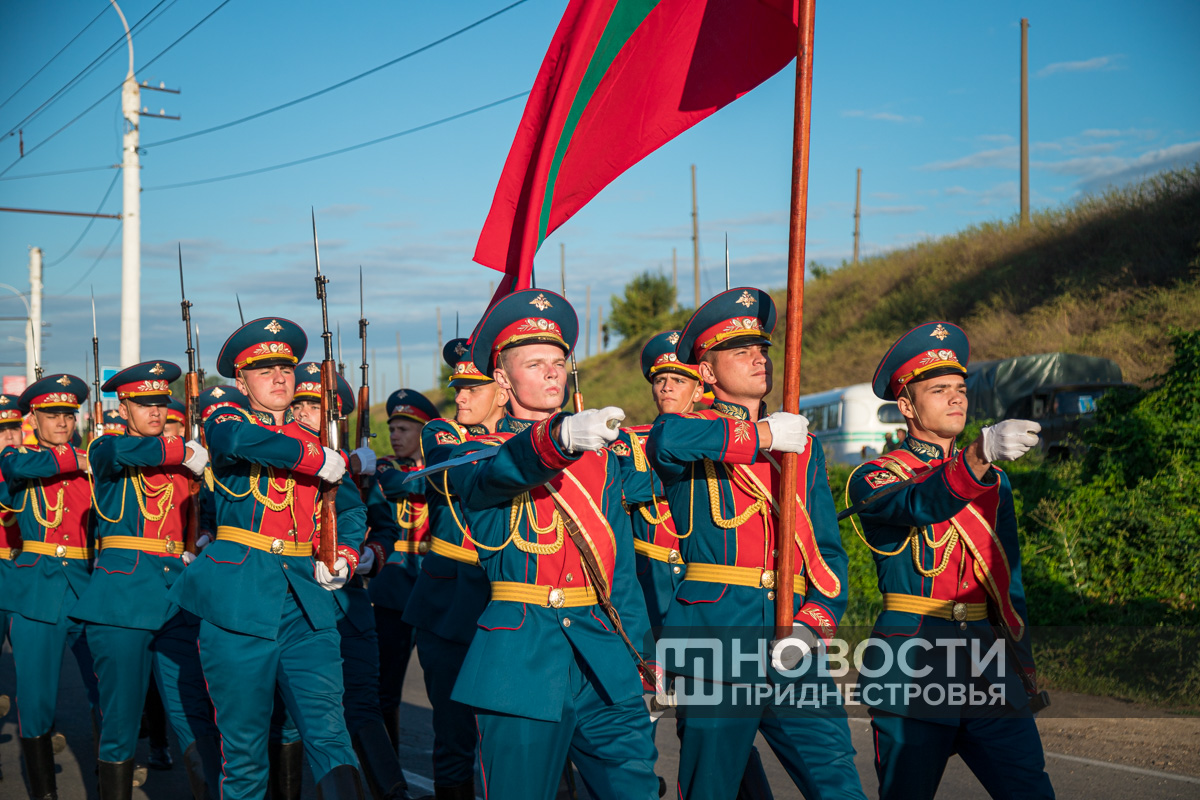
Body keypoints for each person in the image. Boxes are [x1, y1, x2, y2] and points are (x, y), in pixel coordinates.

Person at [647, 288, 866, 800]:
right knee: (711, 787)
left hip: (793, 638)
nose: (759, 359)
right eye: (740, 351)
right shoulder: (688, 429)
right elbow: (666, 442)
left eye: (762, 349)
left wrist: (813, 624)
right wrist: (762, 437)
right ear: (706, 372)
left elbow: (827, 549)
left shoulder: (802, 446)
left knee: (837, 781)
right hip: (715, 638)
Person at [446, 289, 659, 800]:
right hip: (520, 657)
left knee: (635, 789)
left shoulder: (602, 459)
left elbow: (618, 570)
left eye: (558, 363)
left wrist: (643, 659)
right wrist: (558, 439)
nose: (551, 374)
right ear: (502, 380)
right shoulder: (475, 454)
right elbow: (499, 475)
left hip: (603, 654)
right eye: (534, 363)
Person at [846, 321, 1054, 800]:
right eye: (938, 390)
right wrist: (978, 456)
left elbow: (1007, 583)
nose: (956, 398)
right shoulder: (875, 476)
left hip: (988, 668)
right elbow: (917, 503)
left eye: (960, 388)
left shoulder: (994, 480)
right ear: (906, 406)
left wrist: (1022, 663)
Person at [168, 317, 366, 799]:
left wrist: (343, 553)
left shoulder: (317, 442)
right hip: (238, 606)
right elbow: (235, 442)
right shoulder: (228, 424)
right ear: (241, 383)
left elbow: (352, 509)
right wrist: (315, 459)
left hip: (306, 607)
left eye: (286, 368)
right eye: (264, 370)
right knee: (244, 753)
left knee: (331, 737)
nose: (279, 378)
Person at [618, 330, 774, 800]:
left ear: (701, 386)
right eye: (659, 380)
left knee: (709, 728)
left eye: (678, 379)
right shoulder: (633, 442)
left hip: (705, 602)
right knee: (639, 715)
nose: (667, 387)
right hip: (650, 600)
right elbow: (622, 491)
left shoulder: (733, 442)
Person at [71, 361, 221, 799]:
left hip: (177, 600)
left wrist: (203, 537)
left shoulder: (186, 467)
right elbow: (123, 455)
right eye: (143, 404)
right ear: (123, 408)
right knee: (120, 724)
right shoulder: (108, 448)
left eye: (161, 404)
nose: (155, 411)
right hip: (122, 602)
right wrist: (183, 451)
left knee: (195, 714)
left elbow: (208, 515)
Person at [291, 363, 412, 800]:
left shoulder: (358, 470)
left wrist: (368, 556)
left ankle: (394, 793)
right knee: (294, 714)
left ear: (335, 416)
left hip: (348, 602)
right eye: (299, 405)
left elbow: (384, 526)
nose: (304, 413)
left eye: (315, 406)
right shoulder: (282, 462)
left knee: (362, 702)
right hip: (294, 601)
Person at [402, 337, 506, 800]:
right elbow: (453, 465)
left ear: (502, 390)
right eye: (458, 388)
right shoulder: (442, 432)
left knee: (514, 736)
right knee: (453, 736)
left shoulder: (528, 433)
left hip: (507, 595)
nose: (460, 397)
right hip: (449, 599)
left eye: (472, 389)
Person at [0, 374, 101, 800]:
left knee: (107, 689)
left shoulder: (93, 463)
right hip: (36, 592)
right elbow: (17, 467)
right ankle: (45, 792)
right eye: (51, 415)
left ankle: (110, 774)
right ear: (34, 420)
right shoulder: (19, 458)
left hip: (87, 587)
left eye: (68, 415)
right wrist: (78, 459)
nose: (61, 422)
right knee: (36, 700)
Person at [363, 387, 438, 748]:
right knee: (385, 687)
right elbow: (392, 484)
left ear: (425, 433)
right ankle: (389, 766)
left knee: (445, 685)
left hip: (434, 582)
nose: (394, 435)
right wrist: (439, 478)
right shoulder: (384, 467)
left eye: (404, 429)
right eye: (392, 429)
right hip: (393, 585)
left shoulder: (439, 466)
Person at [0, 393, 26, 722]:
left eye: (14, 428)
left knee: (32, 658)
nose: (9, 435)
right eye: (1, 430)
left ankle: (39, 727)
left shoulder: (33, 465)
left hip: (25, 569)